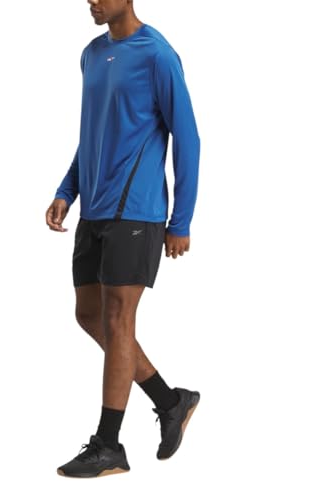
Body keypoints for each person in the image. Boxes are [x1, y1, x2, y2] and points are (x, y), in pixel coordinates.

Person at [45, 0, 201, 478]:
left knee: (118, 319)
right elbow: (93, 134)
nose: (90, 0)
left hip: (137, 211)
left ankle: (109, 444)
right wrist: (66, 191)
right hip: (94, 209)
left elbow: (188, 138)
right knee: (89, 315)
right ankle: (170, 401)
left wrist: (181, 220)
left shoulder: (158, 55)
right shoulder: (91, 54)